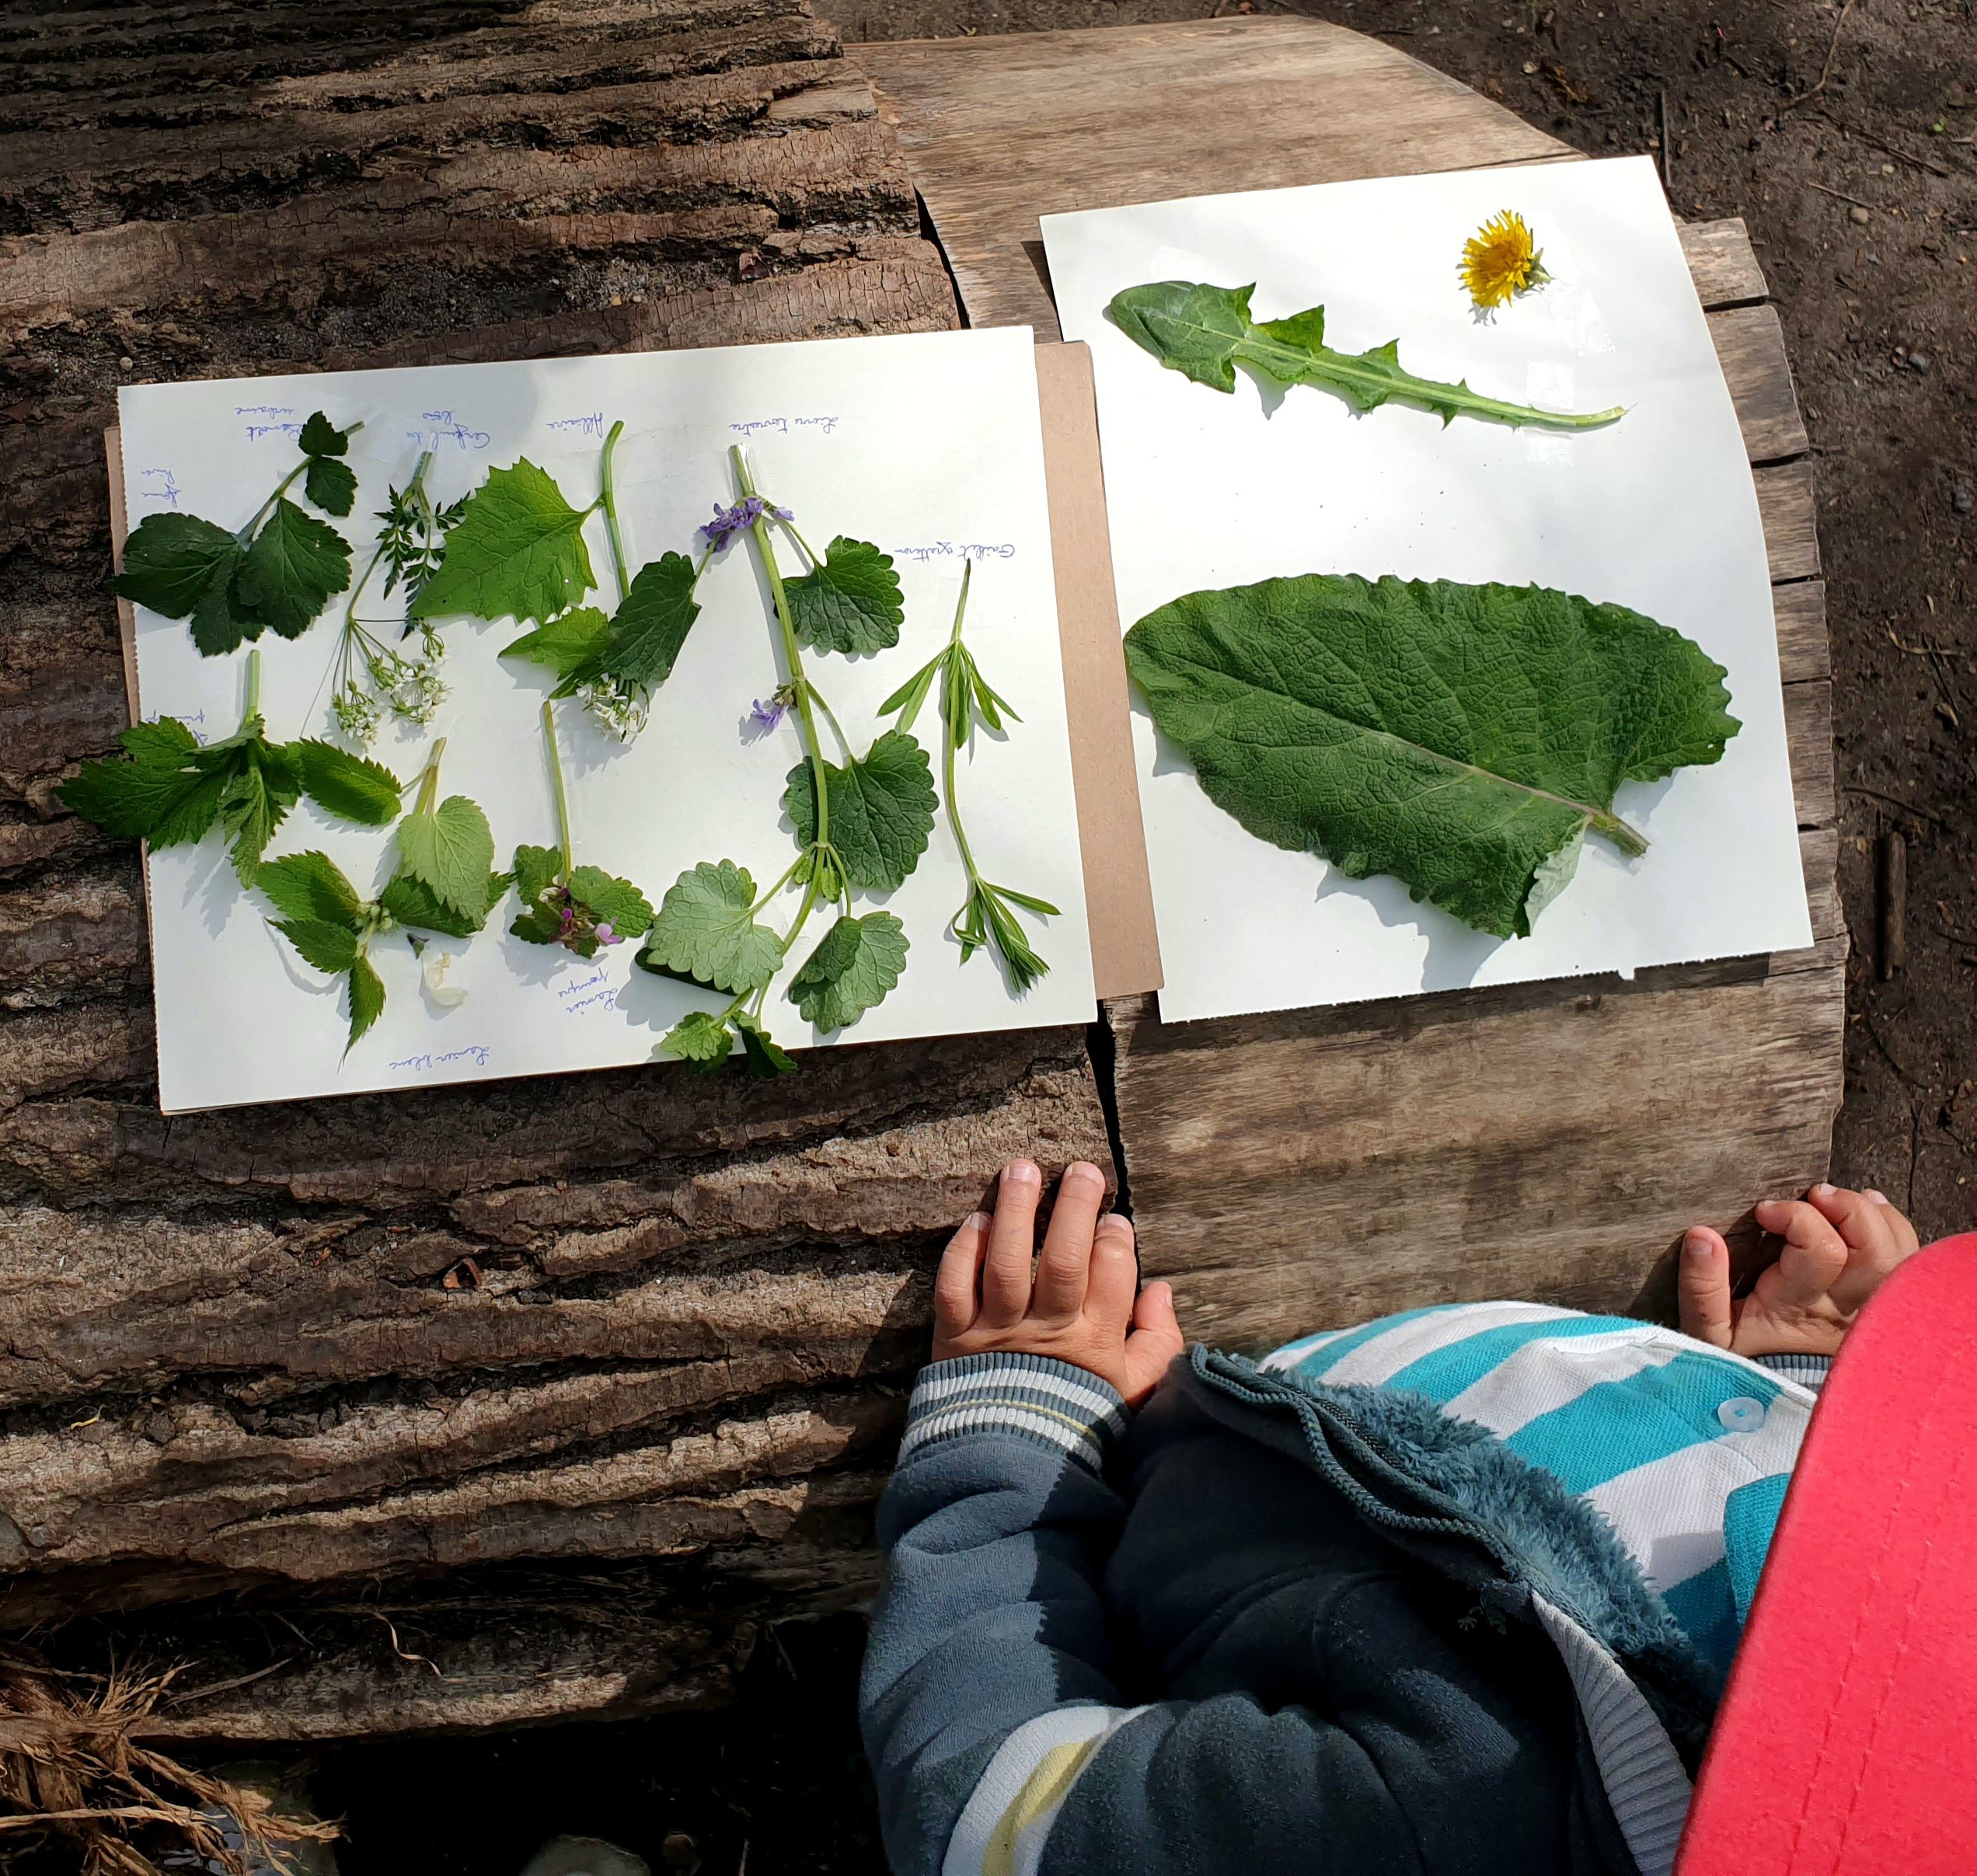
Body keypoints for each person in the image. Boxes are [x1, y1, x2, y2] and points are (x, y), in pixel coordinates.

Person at [859, 1159, 1925, 1876]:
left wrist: (1020, 1447)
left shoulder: (1445, 1823)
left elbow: (984, 1812)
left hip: (1218, 1501)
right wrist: (1821, 1417)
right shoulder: (1901, 1623)